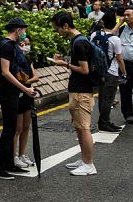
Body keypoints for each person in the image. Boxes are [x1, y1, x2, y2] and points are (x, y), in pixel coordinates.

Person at [0, 17, 37, 180]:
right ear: (17, 30)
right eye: (23, 30)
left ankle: (10, 164)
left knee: (12, 129)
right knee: (9, 129)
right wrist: (24, 88)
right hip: (7, 92)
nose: (24, 33)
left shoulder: (12, 46)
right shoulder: (6, 46)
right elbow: (5, 72)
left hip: (14, 92)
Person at [52, 12, 96, 176]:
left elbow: (85, 70)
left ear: (65, 26)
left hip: (82, 91)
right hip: (79, 90)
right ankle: (84, 159)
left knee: (84, 128)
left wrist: (65, 64)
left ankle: (89, 164)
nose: (58, 32)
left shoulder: (78, 43)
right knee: (79, 127)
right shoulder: (79, 41)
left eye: (58, 29)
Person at [91, 11, 126, 132]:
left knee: (102, 98)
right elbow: (119, 59)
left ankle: (105, 121)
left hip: (98, 71)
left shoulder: (94, 35)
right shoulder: (115, 39)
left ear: (103, 22)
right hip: (111, 72)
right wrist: (124, 73)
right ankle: (104, 122)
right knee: (108, 99)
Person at [13, 35, 39, 169]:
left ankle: (22, 154)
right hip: (18, 96)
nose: (26, 46)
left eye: (28, 44)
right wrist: (24, 84)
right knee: (17, 128)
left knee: (26, 127)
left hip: (28, 94)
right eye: (23, 44)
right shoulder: (15, 59)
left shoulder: (28, 59)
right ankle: (14, 156)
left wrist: (24, 82)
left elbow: (36, 77)